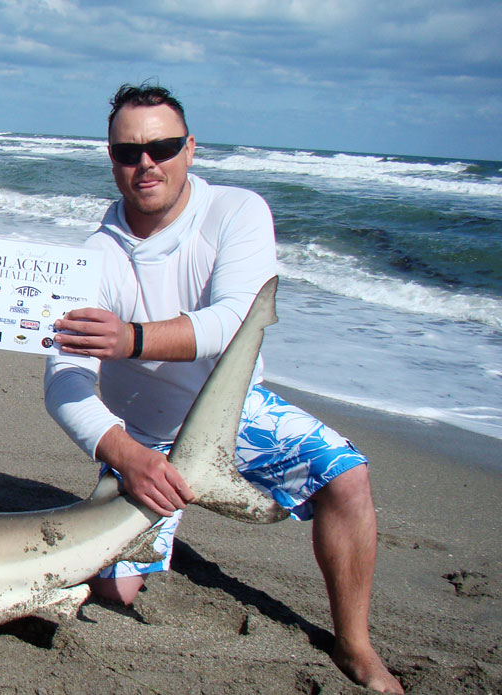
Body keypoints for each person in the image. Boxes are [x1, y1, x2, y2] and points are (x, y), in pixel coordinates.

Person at [44, 83, 401, 692]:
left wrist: (130, 338)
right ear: (111, 159)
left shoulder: (236, 212)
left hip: (237, 414)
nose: (146, 162)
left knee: (348, 478)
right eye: (129, 152)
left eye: (162, 145)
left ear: (190, 149)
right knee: (114, 592)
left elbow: (238, 320)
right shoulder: (93, 259)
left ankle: (356, 645)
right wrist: (127, 457)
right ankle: (151, 531)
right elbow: (63, 381)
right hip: (146, 435)